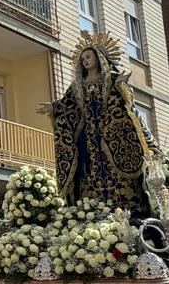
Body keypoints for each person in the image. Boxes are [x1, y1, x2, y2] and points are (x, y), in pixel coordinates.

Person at [43, 37, 156, 211]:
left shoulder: (112, 79)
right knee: (88, 172)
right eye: (83, 59)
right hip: (87, 140)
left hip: (112, 134)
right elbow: (68, 107)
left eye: (88, 57)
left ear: (98, 57)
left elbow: (127, 106)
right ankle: (91, 210)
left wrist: (120, 87)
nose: (85, 61)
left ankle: (128, 207)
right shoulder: (76, 87)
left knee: (118, 172)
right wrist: (53, 107)